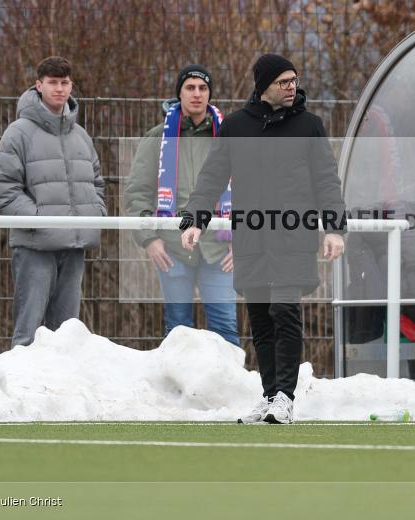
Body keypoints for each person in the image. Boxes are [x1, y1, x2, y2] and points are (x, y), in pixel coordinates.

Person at [180, 53, 346, 424]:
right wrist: (194, 220)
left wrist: (334, 228)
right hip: (252, 238)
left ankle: (285, 397)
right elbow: (212, 176)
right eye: (283, 82)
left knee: (284, 311)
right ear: (263, 86)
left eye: (294, 81)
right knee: (260, 319)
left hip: (294, 236)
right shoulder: (237, 126)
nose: (292, 88)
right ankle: (270, 395)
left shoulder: (310, 126)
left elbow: (326, 182)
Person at [0, 56, 106, 347]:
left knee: (67, 334)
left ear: (71, 86)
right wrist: (39, 219)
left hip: (75, 245)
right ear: (38, 85)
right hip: (34, 246)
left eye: (64, 82)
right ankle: (19, 387)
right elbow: (3, 188)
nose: (59, 88)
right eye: (52, 82)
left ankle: (62, 390)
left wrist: (96, 214)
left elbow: (97, 183)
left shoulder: (81, 136)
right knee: (27, 331)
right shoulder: (18, 132)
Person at [123, 64, 239, 346]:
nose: (197, 94)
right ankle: (177, 388)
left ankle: (228, 388)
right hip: (172, 247)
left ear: (210, 94)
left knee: (225, 327)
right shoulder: (157, 138)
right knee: (177, 330)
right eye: (190, 88)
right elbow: (137, 193)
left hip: (219, 248)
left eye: (203, 88)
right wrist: (149, 239)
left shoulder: (231, 137)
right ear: (180, 93)